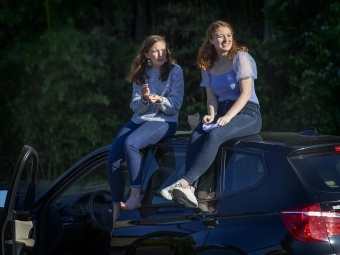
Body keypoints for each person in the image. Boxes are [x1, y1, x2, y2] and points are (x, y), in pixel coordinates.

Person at [161, 20, 262, 208]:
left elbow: (246, 94)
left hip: (247, 113)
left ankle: (184, 183)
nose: (226, 40)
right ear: (211, 40)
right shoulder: (207, 64)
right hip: (222, 112)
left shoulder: (241, 57)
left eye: (229, 35)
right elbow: (212, 98)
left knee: (215, 134)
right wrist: (211, 114)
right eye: (221, 36)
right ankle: (191, 190)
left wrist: (227, 117)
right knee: (198, 133)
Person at [107, 35, 184, 233]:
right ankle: (116, 208)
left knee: (131, 143)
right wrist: (143, 99)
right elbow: (135, 106)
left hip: (165, 121)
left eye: (164, 50)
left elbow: (175, 106)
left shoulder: (175, 71)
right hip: (140, 119)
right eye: (156, 51)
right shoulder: (142, 73)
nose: (161, 54)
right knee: (112, 160)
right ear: (147, 54)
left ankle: (135, 196)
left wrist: (159, 100)